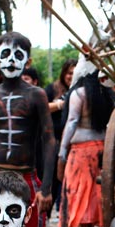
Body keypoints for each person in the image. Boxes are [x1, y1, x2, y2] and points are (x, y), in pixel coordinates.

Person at [0, 32, 57, 227]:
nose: (11, 60)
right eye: (6, 54)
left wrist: (46, 188)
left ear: (28, 62)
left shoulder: (37, 95)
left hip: (25, 175)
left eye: (18, 55)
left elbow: (49, 140)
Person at [57, 70, 114, 227]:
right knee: (97, 189)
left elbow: (72, 120)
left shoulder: (79, 93)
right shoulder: (105, 93)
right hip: (101, 146)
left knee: (76, 188)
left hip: (80, 150)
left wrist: (62, 150)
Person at [46, 59, 76, 217]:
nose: (71, 76)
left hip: (73, 143)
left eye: (74, 73)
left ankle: (64, 213)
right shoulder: (53, 88)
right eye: (69, 73)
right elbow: (42, 107)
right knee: (51, 179)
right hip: (54, 141)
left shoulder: (80, 90)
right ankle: (46, 214)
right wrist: (58, 105)